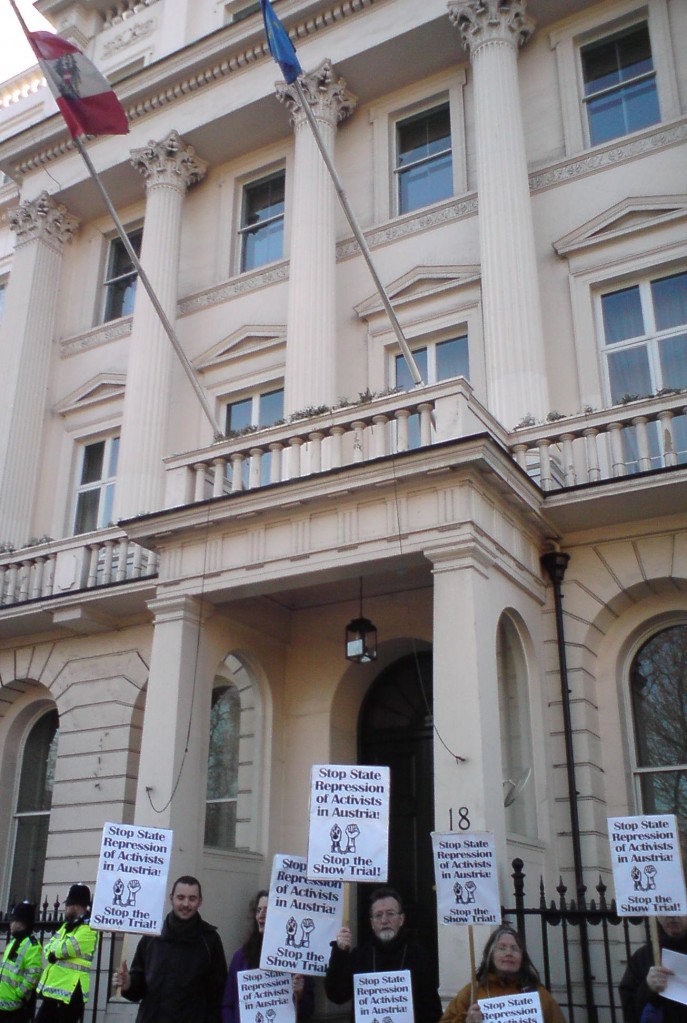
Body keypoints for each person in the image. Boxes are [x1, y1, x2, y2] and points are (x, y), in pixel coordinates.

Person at [114, 874, 227, 1023]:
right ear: (171, 898)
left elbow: (218, 993)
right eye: (181, 897)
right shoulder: (151, 937)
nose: (186, 904)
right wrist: (128, 984)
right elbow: (138, 989)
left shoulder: (210, 940)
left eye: (192, 898)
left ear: (200, 901)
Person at [325, 886, 441, 1023]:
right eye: (378, 915)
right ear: (372, 923)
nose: (384, 920)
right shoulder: (361, 956)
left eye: (390, 913)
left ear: (401, 919)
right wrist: (340, 953)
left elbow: (432, 1010)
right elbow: (337, 995)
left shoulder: (418, 956)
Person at [439, 925, 565, 1023]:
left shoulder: (538, 995)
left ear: (522, 957)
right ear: (490, 954)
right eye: (502, 948)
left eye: (515, 948)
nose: (509, 953)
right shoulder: (472, 993)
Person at [221, 890, 314, 1023]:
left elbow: (307, 1011)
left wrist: (300, 995)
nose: (261, 915)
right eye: (258, 910)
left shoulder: (295, 958)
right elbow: (228, 1004)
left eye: (267, 910)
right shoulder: (241, 957)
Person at [35, 884, 98, 1023]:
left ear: (76, 905)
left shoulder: (89, 929)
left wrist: (55, 951)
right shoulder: (67, 926)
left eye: (68, 904)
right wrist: (55, 950)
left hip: (72, 992)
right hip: (54, 991)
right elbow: (48, 948)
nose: (66, 908)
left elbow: (65, 949)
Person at [620, 915, 687, 1023]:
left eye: (679, 908)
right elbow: (630, 1012)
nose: (672, 916)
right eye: (664, 909)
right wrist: (648, 989)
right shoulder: (642, 957)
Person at [0, 902, 42, 1021]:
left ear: (24, 923)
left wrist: (18, 994)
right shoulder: (14, 941)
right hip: (3, 1002)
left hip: (15, 1008)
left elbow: (34, 975)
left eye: (14, 920)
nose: (11, 924)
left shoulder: (32, 945)